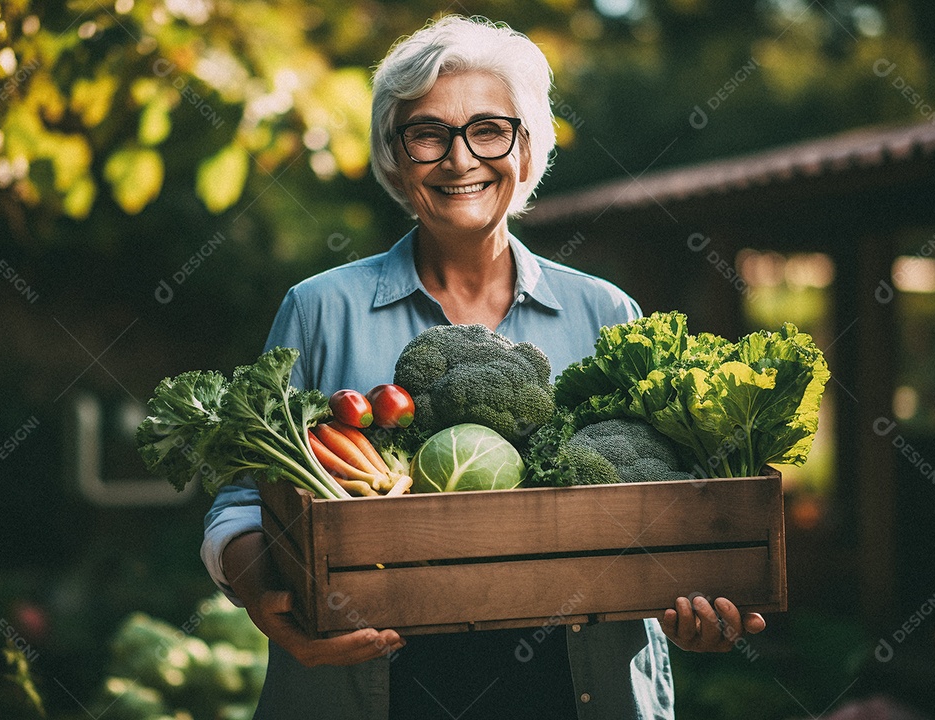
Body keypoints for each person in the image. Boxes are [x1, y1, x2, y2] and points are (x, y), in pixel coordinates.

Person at [201, 15, 766, 720]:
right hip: (373, 690)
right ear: (395, 158)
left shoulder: (605, 312)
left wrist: (699, 595)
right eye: (428, 134)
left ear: (526, 151)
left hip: (576, 690)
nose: (460, 159)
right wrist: (268, 605)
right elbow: (240, 504)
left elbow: (675, 500)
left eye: (489, 130)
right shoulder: (320, 310)